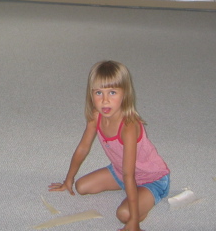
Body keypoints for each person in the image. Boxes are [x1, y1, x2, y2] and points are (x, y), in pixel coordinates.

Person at [49, 60, 170, 231]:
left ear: (125, 94)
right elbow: (83, 148)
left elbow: (130, 174)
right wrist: (68, 179)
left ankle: (142, 205)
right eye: (99, 93)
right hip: (119, 172)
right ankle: (135, 200)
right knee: (81, 187)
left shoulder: (129, 127)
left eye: (112, 92)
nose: (105, 101)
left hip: (152, 179)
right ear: (91, 94)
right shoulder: (96, 116)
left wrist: (134, 222)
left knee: (124, 215)